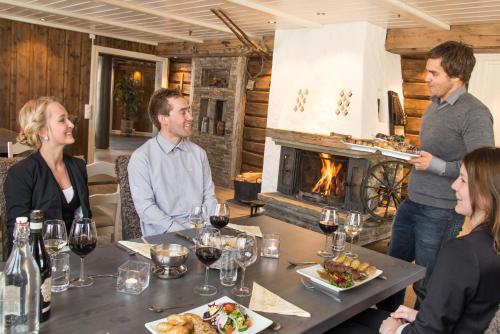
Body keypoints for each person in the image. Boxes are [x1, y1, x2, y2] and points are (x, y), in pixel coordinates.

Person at [334, 146, 500, 334]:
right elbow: (473, 315)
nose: (454, 186)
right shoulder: (491, 244)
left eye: (462, 180)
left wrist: (396, 331)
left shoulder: (463, 251)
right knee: (353, 315)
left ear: (486, 193)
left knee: (334, 324)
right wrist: (421, 316)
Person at [381, 41, 495, 310]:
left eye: (434, 73)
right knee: (391, 271)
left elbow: (480, 168)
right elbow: (435, 154)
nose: (426, 78)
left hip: (441, 211)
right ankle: (384, 322)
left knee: (427, 283)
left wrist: (437, 166)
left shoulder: (475, 113)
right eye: (427, 71)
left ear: (456, 76)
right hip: (411, 202)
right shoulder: (433, 107)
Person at [5, 97, 91, 253]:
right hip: (38, 260)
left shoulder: (78, 166)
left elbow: (85, 218)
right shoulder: (20, 173)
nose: (71, 124)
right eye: (62, 120)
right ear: (43, 131)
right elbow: (17, 234)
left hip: (75, 256)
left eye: (68, 118)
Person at [128, 88, 217, 236]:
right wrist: (182, 231)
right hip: (162, 238)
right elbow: (146, 208)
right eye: (183, 112)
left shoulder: (199, 154)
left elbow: (210, 196)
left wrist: (201, 227)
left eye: (189, 111)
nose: (191, 117)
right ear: (163, 119)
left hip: (200, 232)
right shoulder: (141, 158)